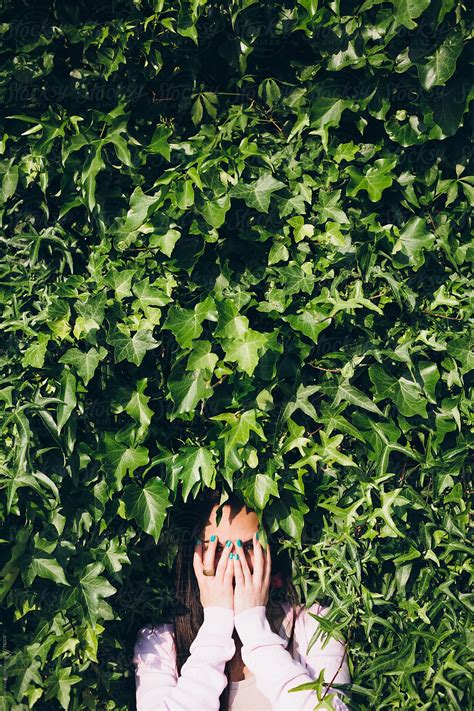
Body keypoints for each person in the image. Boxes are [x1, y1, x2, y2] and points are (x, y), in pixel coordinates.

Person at [133, 488, 351, 710]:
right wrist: (216, 625)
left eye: (248, 547)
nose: (234, 564)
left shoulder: (315, 625)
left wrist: (254, 628)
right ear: (194, 555)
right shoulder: (159, 644)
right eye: (218, 549)